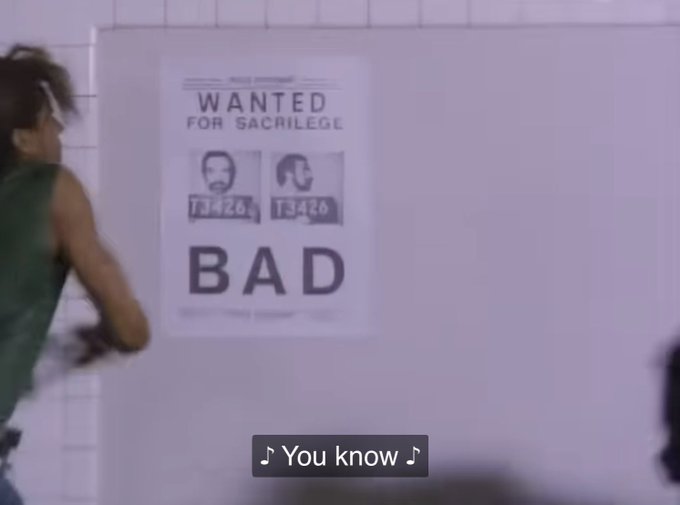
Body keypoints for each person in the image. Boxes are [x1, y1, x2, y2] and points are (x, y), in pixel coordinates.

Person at [0, 45, 150, 504]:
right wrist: (105, 336)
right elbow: (132, 328)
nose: (59, 130)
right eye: (48, 119)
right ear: (24, 139)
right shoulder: (52, 191)